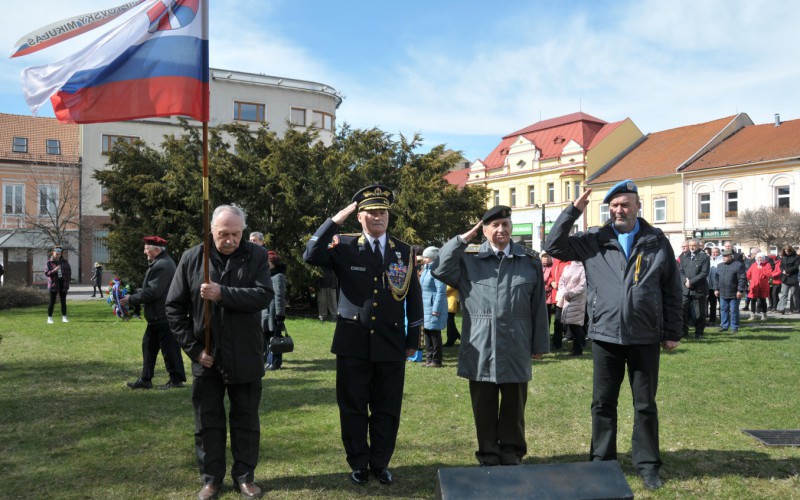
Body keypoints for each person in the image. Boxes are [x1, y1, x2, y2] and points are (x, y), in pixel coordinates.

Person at [544, 180, 682, 491]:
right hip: (606, 334)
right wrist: (573, 211)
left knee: (645, 404)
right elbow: (553, 246)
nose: (619, 210)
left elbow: (672, 289)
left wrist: (673, 331)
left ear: (637, 207)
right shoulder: (594, 239)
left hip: (645, 335)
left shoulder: (656, 241)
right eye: (614, 205)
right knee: (603, 403)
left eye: (625, 204)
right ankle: (602, 462)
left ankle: (647, 465)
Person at [303, 184, 423, 486]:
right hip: (353, 340)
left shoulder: (403, 250)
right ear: (361, 217)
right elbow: (310, 253)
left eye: (382, 212)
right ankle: (358, 462)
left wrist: (414, 339)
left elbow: (414, 297)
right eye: (371, 212)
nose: (378, 217)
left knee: (387, 407)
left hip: (391, 342)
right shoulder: (342, 244)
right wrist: (338, 216)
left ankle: (380, 463)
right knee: (353, 406)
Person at [166, 205, 273, 500]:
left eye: (236, 234)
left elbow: (264, 296)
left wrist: (222, 293)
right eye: (223, 233)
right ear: (211, 230)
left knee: (246, 421)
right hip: (207, 358)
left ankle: (245, 477)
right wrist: (195, 350)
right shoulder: (192, 258)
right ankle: (211, 479)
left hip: (246, 355)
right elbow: (173, 309)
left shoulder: (257, 255)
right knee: (207, 422)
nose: (230, 239)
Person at [433, 205, 549, 467]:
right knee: (483, 408)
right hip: (480, 346)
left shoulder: (528, 262)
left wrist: (539, 344)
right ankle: (488, 454)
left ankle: (511, 453)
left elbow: (538, 307)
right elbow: (438, 268)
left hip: (516, 346)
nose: (501, 229)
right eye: (494, 225)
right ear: (483, 230)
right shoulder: (468, 261)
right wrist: (463, 239)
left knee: (514, 406)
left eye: (505, 224)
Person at [121, 236, 186, 390]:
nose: (145, 252)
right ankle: (146, 379)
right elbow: (153, 289)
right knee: (149, 346)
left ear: (156, 250)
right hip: (159, 315)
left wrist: (131, 299)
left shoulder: (162, 265)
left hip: (162, 315)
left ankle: (175, 380)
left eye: (146, 249)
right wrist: (136, 291)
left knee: (169, 348)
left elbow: (154, 292)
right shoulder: (162, 262)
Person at [420, 246, 447, 367]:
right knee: (427, 332)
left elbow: (440, 291)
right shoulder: (425, 269)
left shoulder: (437, 271)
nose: (423, 259)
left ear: (432, 258)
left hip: (433, 306)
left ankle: (436, 360)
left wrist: (436, 309)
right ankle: (429, 359)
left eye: (426, 257)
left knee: (434, 333)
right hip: (425, 306)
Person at [679, 239, 710, 339]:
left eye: (694, 245)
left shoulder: (704, 257)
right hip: (686, 289)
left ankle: (699, 332)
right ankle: (684, 331)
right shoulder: (684, 257)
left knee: (699, 313)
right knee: (682, 309)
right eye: (690, 245)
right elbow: (680, 271)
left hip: (698, 289)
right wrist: (685, 281)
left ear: (698, 246)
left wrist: (691, 282)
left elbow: (704, 273)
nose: (692, 247)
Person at [557, 260, 587, 356]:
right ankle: (577, 347)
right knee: (571, 324)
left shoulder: (583, 268)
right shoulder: (567, 268)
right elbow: (561, 282)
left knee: (576, 325)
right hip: (567, 298)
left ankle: (578, 348)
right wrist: (565, 292)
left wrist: (570, 293)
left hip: (577, 299)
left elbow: (582, 285)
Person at [263, 250, 287, 371]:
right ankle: (269, 360)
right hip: (265, 313)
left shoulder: (278, 276)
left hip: (273, 314)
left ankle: (276, 362)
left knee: (276, 339)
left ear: (273, 263)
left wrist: (279, 316)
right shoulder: (268, 275)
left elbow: (279, 297)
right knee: (268, 338)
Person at [713, 248, 746, 334]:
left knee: (734, 310)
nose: (724, 258)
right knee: (723, 309)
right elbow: (716, 278)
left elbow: (742, 278)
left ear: (731, 256)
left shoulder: (738, 265)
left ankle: (734, 327)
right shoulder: (720, 265)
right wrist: (716, 289)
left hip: (734, 292)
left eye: (726, 256)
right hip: (723, 292)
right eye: (723, 256)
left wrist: (740, 290)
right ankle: (724, 326)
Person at [45, 246, 71, 324]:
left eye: (59, 253)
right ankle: (49, 318)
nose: (58, 255)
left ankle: (64, 317)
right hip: (54, 284)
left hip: (63, 284)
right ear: (53, 253)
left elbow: (69, 272)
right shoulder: (49, 262)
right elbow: (47, 273)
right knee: (52, 302)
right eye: (56, 253)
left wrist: (67, 281)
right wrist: (54, 270)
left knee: (63, 301)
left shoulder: (64, 262)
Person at [746, 252, 772, 321]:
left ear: (764, 259)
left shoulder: (767, 264)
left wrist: (762, 269)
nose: (760, 260)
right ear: (756, 258)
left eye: (761, 258)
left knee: (762, 300)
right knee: (753, 300)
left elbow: (769, 274)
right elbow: (748, 274)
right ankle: (752, 314)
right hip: (754, 285)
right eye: (758, 258)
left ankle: (764, 314)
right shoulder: (753, 265)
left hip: (763, 285)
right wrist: (747, 280)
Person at [778, 245, 799, 314]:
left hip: (793, 277)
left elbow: (796, 266)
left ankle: (794, 309)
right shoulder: (784, 257)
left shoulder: (796, 257)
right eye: (785, 251)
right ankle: (781, 308)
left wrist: (787, 271)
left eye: (787, 251)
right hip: (784, 278)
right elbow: (781, 266)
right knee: (784, 293)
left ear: (791, 250)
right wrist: (783, 271)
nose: (786, 252)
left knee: (794, 294)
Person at [707, 247, 721, 324]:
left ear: (719, 253)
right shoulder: (709, 260)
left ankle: (722, 319)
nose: (714, 254)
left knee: (721, 304)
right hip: (710, 286)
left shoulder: (721, 260)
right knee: (712, 304)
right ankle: (712, 319)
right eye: (712, 252)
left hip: (719, 286)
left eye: (716, 252)